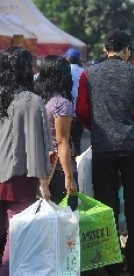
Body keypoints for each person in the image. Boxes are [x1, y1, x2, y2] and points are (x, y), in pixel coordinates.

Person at [76, 29, 134, 276]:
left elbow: (83, 111)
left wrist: (97, 128)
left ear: (105, 50)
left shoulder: (90, 74)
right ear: (127, 50)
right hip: (131, 147)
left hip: (103, 149)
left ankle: (112, 266)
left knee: (106, 207)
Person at [0, 47, 53, 276]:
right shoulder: (33, 101)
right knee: (16, 231)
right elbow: (39, 145)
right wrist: (44, 184)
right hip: (19, 176)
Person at [35, 55, 78, 204]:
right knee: (67, 219)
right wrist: (69, 177)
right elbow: (61, 142)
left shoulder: (38, 100)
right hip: (58, 170)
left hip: (39, 168)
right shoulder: (61, 104)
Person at [64, 47, 85, 156]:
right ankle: (77, 165)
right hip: (79, 112)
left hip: (65, 111)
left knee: (65, 140)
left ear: (67, 58)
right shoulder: (83, 72)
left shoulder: (65, 70)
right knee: (76, 141)